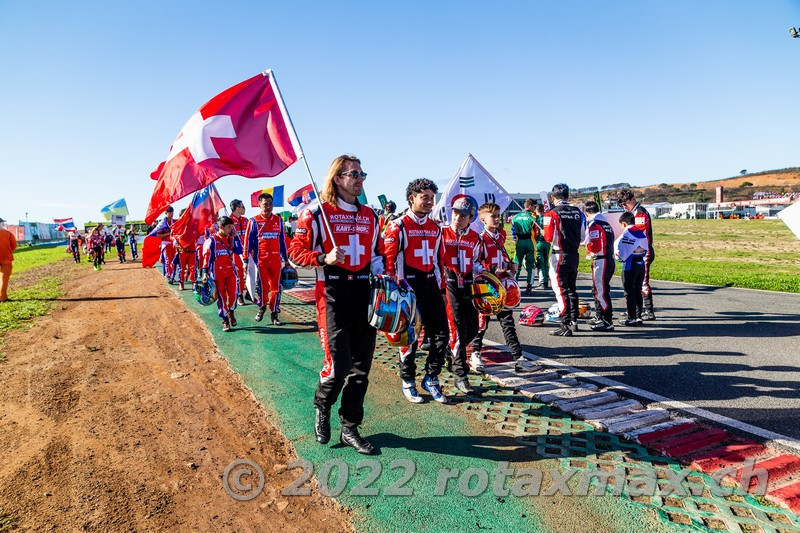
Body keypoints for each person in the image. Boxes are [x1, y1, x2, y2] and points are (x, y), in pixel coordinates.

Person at [289, 154, 383, 455]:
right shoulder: (316, 214)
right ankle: (322, 405)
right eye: (353, 173)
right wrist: (322, 258)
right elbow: (294, 253)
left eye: (361, 174)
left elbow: (377, 255)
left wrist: (384, 274)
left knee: (361, 370)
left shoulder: (371, 215)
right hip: (332, 296)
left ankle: (350, 428)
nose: (359, 179)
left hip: (364, 297)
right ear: (337, 177)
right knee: (338, 367)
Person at [383, 178, 450, 404]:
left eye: (432, 197)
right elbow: (388, 262)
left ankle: (431, 378)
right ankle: (408, 381)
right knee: (408, 338)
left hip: (431, 285)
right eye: (425, 197)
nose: (430, 201)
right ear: (412, 199)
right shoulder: (398, 225)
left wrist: (441, 290)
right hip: (408, 289)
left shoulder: (435, 228)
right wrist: (395, 293)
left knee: (442, 335)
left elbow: (439, 261)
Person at [470, 203, 527, 373]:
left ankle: (518, 358)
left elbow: (501, 258)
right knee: (481, 323)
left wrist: (510, 265)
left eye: (497, 215)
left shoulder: (500, 237)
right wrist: (493, 269)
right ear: (482, 219)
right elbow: (474, 264)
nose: (496, 218)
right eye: (492, 216)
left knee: (508, 322)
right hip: (486, 288)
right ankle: (475, 354)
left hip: (502, 287)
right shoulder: (480, 239)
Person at [442, 197, 484, 395]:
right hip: (448, 283)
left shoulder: (475, 237)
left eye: (463, 215)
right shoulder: (441, 233)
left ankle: (448, 351)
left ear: (471, 218)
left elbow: (476, 262)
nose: (458, 218)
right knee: (457, 328)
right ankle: (460, 373)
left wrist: (485, 272)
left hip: (467, 284)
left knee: (474, 328)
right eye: (456, 213)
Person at [543, 183, 585, 337]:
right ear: (568, 196)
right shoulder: (578, 211)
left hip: (559, 254)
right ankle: (573, 321)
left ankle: (564, 324)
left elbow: (548, 238)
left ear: (553, 197)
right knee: (572, 288)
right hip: (574, 254)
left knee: (560, 290)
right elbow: (582, 237)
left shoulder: (551, 213)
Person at [244, 193, 288, 325]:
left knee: (276, 288)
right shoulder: (254, 221)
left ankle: (274, 313)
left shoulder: (278, 220)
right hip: (260, 261)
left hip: (275, 261)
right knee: (263, 288)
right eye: (265, 204)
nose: (268, 207)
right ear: (259, 205)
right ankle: (262, 307)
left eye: (270, 204)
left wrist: (286, 259)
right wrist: (246, 261)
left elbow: (282, 241)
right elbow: (247, 242)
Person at [617, 188, 656, 320]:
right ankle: (632, 309)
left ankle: (648, 310)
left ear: (633, 199)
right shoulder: (632, 213)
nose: (624, 207)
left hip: (642, 252)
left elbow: (638, 235)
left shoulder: (640, 213)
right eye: (622, 205)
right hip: (634, 252)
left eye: (625, 204)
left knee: (642, 282)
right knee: (633, 282)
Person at [201, 216, 242, 332]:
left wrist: (236, 237)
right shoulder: (212, 240)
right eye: (229, 227)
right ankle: (225, 319)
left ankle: (231, 311)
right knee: (222, 298)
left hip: (230, 273)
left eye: (232, 227)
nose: (231, 229)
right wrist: (205, 273)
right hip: (217, 274)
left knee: (234, 295)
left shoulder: (231, 239)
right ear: (221, 227)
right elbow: (207, 257)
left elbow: (239, 251)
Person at [583, 201, 615, 332]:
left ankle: (607, 321)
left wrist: (587, 246)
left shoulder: (594, 224)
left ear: (586, 213)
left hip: (601, 260)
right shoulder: (607, 223)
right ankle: (601, 316)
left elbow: (595, 246)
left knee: (601, 292)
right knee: (599, 290)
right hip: (608, 259)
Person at [614, 212, 649, 326]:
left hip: (629, 265)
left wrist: (616, 257)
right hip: (641, 264)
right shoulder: (641, 232)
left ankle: (631, 317)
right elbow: (645, 249)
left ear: (623, 223)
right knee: (638, 291)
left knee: (629, 292)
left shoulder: (627, 233)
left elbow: (620, 252)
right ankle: (638, 316)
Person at [511, 198, 536, 295]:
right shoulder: (533, 217)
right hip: (530, 242)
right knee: (531, 265)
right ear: (529, 206)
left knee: (516, 264)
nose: (534, 209)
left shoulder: (515, 217)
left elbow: (513, 232)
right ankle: (529, 285)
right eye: (534, 207)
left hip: (519, 242)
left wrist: (515, 240)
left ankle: (514, 284)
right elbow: (536, 232)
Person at [229, 199, 249, 306]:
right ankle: (239, 295)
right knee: (239, 274)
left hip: (246, 251)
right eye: (242, 207)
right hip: (235, 252)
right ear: (237, 208)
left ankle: (249, 293)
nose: (244, 209)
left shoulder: (246, 220)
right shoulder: (228, 221)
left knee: (251, 272)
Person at [154, 206, 177, 283]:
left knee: (174, 261)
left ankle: (172, 274)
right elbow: (157, 235)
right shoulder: (162, 224)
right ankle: (169, 275)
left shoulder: (175, 221)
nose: (171, 214)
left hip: (174, 244)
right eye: (169, 212)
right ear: (166, 213)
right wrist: (168, 234)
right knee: (168, 260)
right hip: (166, 244)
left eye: (172, 212)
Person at [531, 203, 550, 290]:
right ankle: (546, 281)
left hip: (539, 242)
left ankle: (542, 282)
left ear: (535, 210)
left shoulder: (535, 219)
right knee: (546, 262)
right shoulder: (547, 218)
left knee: (540, 263)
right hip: (547, 242)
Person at [0, 218, 17, 302]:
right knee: (4, 278)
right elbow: (14, 246)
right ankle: (2, 297)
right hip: (6, 257)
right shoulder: (7, 233)